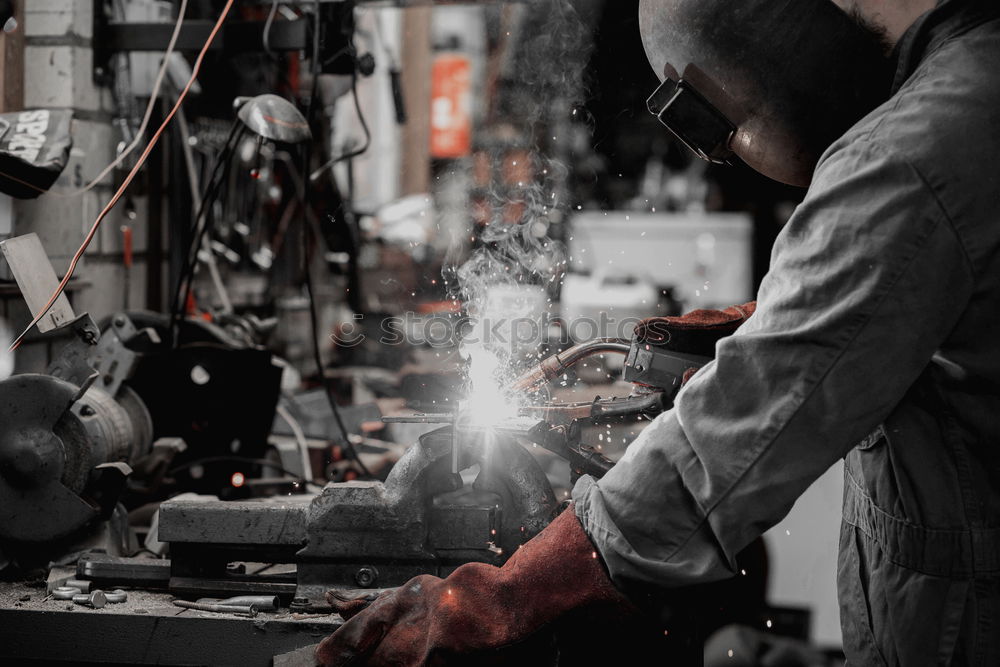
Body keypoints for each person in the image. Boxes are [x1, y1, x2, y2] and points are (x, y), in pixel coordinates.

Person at [316, 0, 1000, 664]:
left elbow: (734, 433)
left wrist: (511, 595)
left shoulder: (907, 154)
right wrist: (763, 325)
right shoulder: (975, 83)